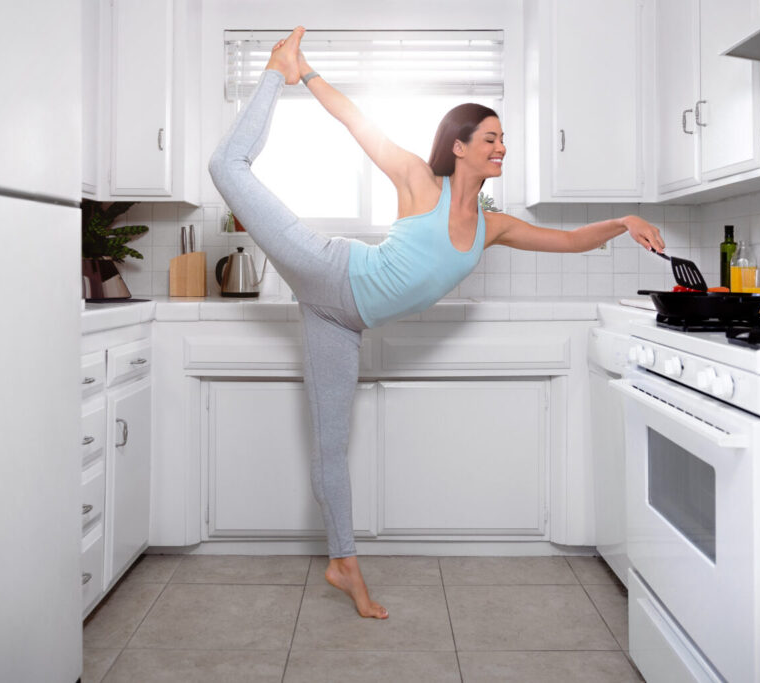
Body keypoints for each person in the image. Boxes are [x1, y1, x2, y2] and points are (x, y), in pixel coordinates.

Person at [208, 27, 665, 620]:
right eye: (492, 138)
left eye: (504, 140)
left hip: (342, 321)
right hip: (328, 269)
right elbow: (356, 122)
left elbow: (570, 240)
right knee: (227, 165)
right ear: (460, 145)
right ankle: (276, 68)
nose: (502, 148)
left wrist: (623, 219)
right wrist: (307, 75)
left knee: (329, 447)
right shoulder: (418, 181)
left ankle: (343, 564)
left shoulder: (492, 225)